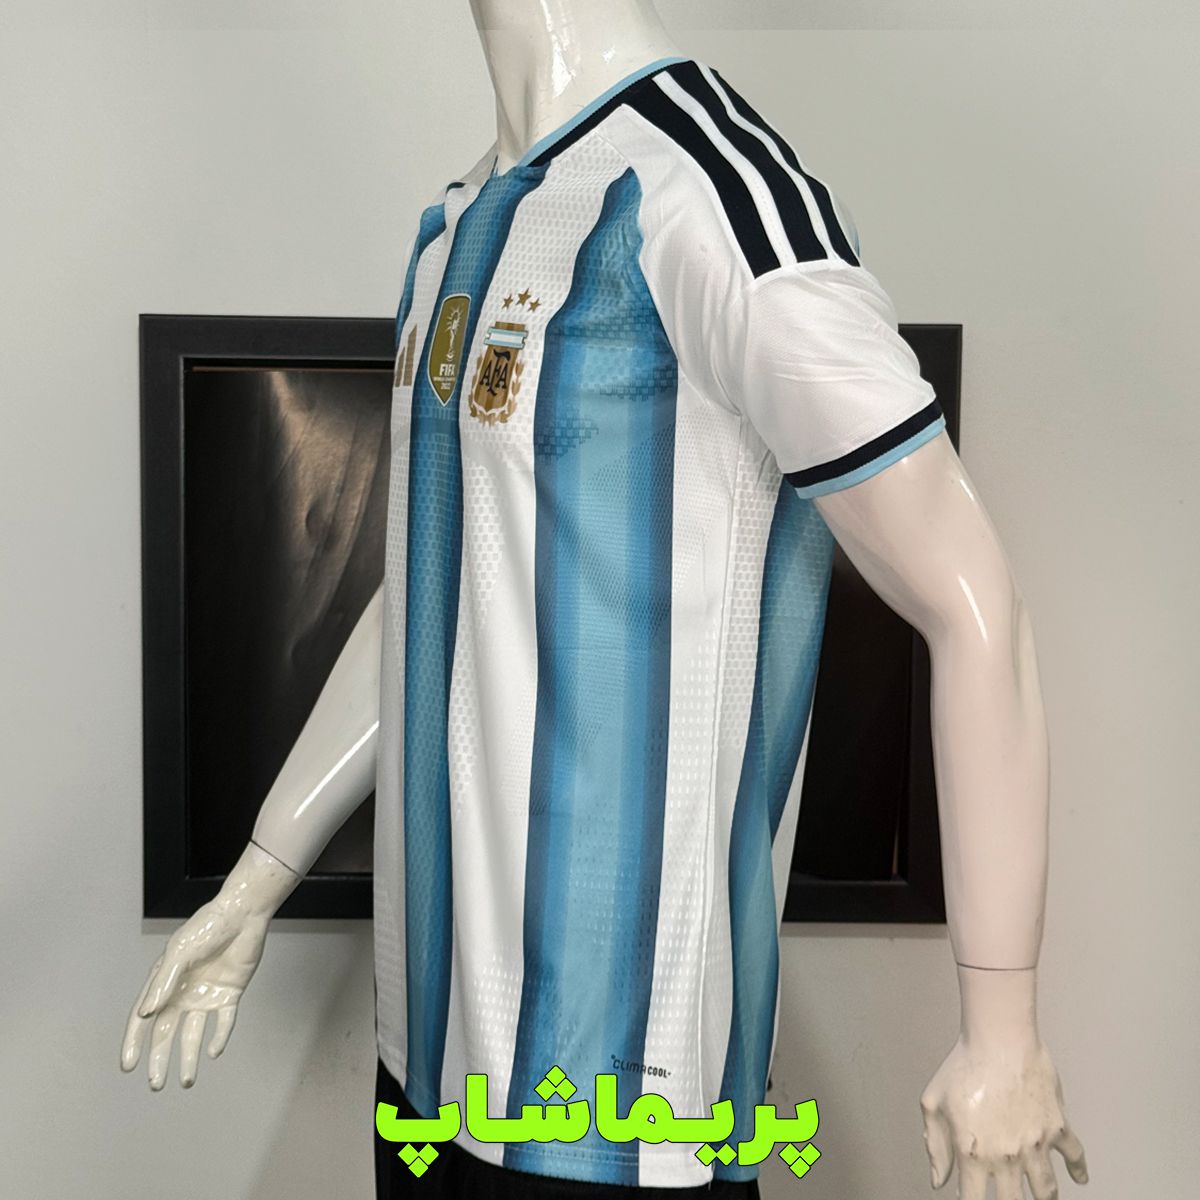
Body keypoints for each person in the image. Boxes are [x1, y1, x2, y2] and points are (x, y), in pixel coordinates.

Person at [122, 3, 1089, 1197]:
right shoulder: (460, 222)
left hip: (628, 1118)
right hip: (426, 1067)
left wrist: (1004, 1030)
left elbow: (972, 595)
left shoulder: (713, 197)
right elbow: (439, 590)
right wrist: (261, 872)